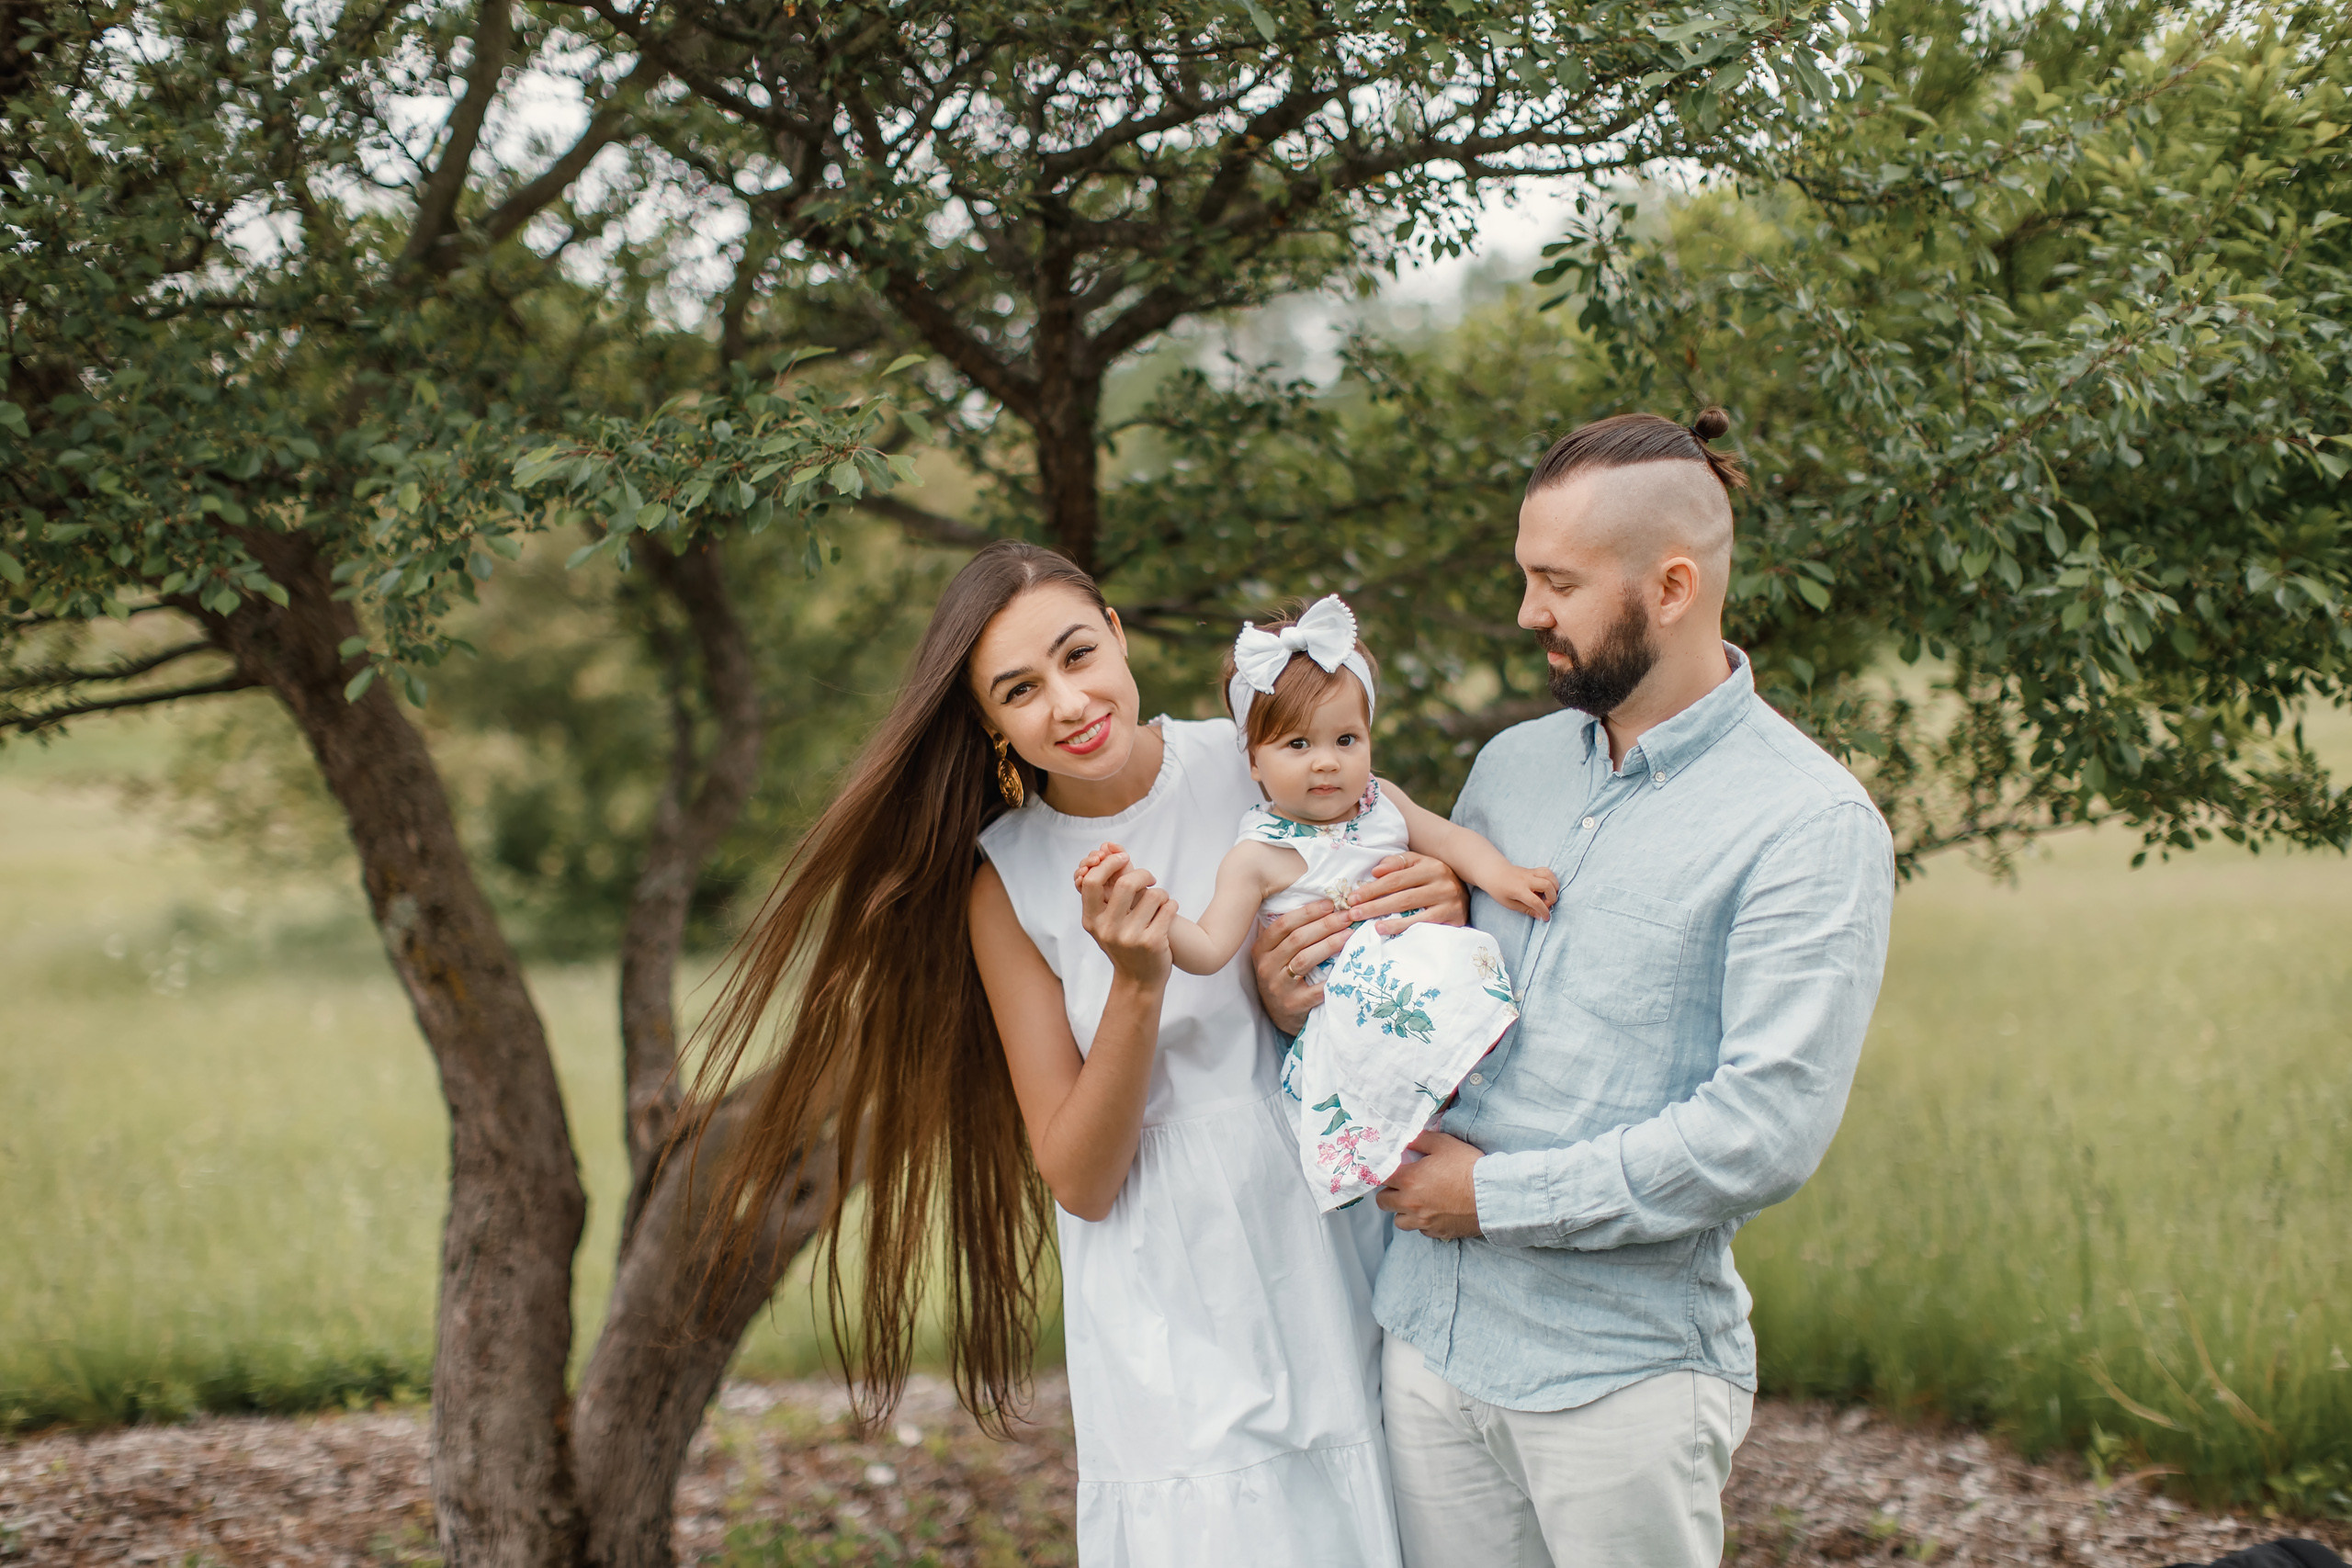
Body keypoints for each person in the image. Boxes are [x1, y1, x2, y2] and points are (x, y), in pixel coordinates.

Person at [687, 541, 1465, 1567]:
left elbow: (1393, 877)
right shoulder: (1005, 885)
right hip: (1170, 1294)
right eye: (1020, 689)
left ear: (1119, 634)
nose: (1067, 701)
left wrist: (1436, 898)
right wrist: (1138, 986)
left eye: (1077, 654)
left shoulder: (1252, 761)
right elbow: (1082, 1178)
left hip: (1326, 1227)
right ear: (988, 722)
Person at [1253, 408, 1898, 1568]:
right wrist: (1296, 980)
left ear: (1673, 585)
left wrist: (1494, 1196)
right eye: (1523, 576)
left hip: (1620, 1382)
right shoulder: (1511, 765)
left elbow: (1764, 1132)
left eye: (1554, 581)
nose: (1525, 613)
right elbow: (1413, 975)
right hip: (1428, 1338)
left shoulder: (1806, 824)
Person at [1080, 592, 1555, 1212]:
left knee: (1475, 1060)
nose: (1326, 762)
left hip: (1422, 978)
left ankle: (1478, 1129)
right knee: (1381, 1097)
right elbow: (1210, 947)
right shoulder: (1257, 854)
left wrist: (1501, 875)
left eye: (1347, 739)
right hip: (1346, 1014)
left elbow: (1449, 838)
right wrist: (1153, 913)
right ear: (1252, 760)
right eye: (1297, 745)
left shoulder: (1382, 802)